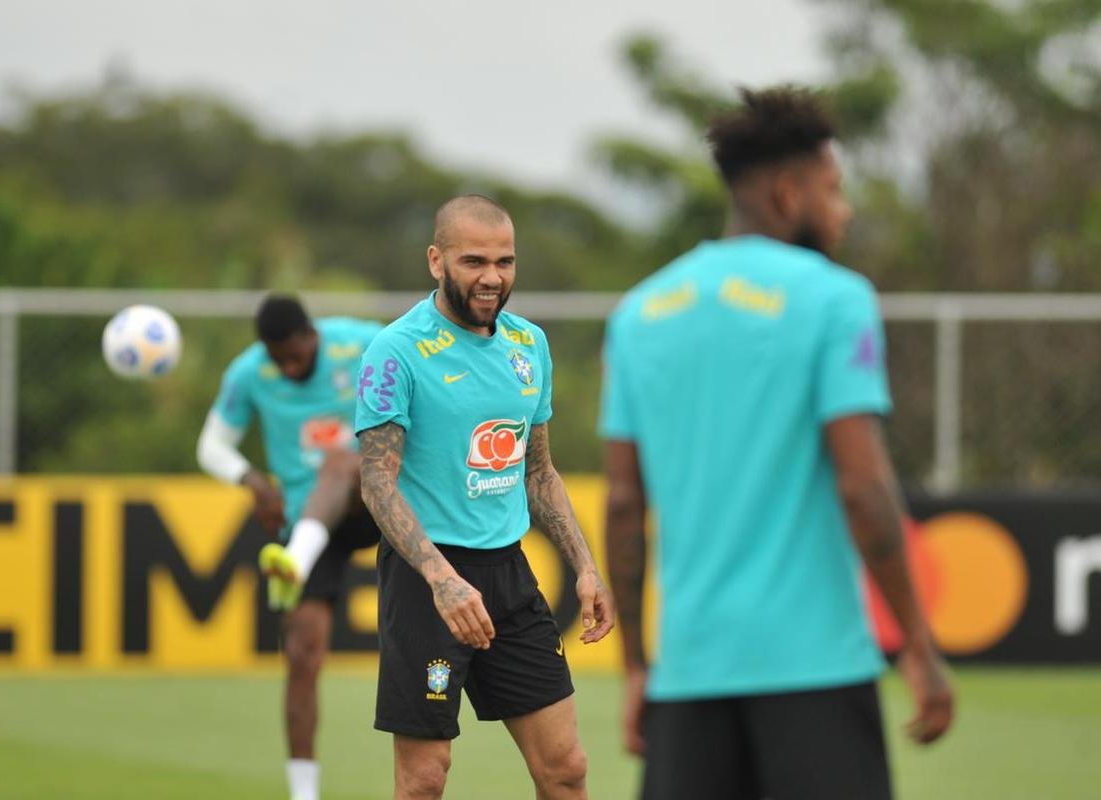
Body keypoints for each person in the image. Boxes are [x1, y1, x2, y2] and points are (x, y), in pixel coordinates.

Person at [601, 86, 954, 799]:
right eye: (834, 190)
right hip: (814, 671)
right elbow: (863, 485)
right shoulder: (834, 298)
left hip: (689, 676)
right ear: (789, 196)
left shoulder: (638, 315)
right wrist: (916, 642)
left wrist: (640, 667)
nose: (844, 211)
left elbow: (622, 504)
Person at [354, 194, 615, 800]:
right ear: (436, 260)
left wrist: (584, 566)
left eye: (505, 262)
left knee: (567, 768)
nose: (492, 278)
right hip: (427, 582)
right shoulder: (395, 353)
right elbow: (377, 481)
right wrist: (443, 581)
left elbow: (540, 471)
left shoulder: (529, 346)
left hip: (510, 578)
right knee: (424, 779)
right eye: (474, 261)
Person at [197, 294, 383, 800]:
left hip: (378, 503)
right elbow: (211, 445)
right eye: (276, 358)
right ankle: (304, 794)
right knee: (301, 653)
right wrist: (252, 480)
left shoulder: (361, 343)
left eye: (293, 355)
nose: (286, 366)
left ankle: (293, 564)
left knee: (341, 463)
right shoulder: (250, 372)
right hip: (307, 516)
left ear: (311, 336)